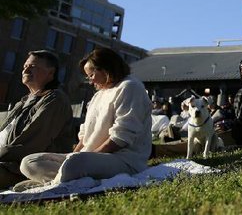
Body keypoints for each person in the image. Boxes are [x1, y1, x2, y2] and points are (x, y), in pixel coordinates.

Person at [18, 47, 152, 186]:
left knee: (75, 164)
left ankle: (55, 185)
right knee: (28, 163)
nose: (90, 81)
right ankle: (71, 179)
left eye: (91, 75)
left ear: (106, 70)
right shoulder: (98, 95)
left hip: (123, 159)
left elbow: (121, 137)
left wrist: (84, 157)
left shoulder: (130, 87)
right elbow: (84, 137)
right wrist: (72, 155)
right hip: (88, 157)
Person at [0, 51, 72, 189]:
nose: (26, 69)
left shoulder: (55, 99)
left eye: (33, 66)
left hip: (20, 168)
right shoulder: (24, 101)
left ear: (50, 74)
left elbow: (31, 145)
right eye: (25, 66)